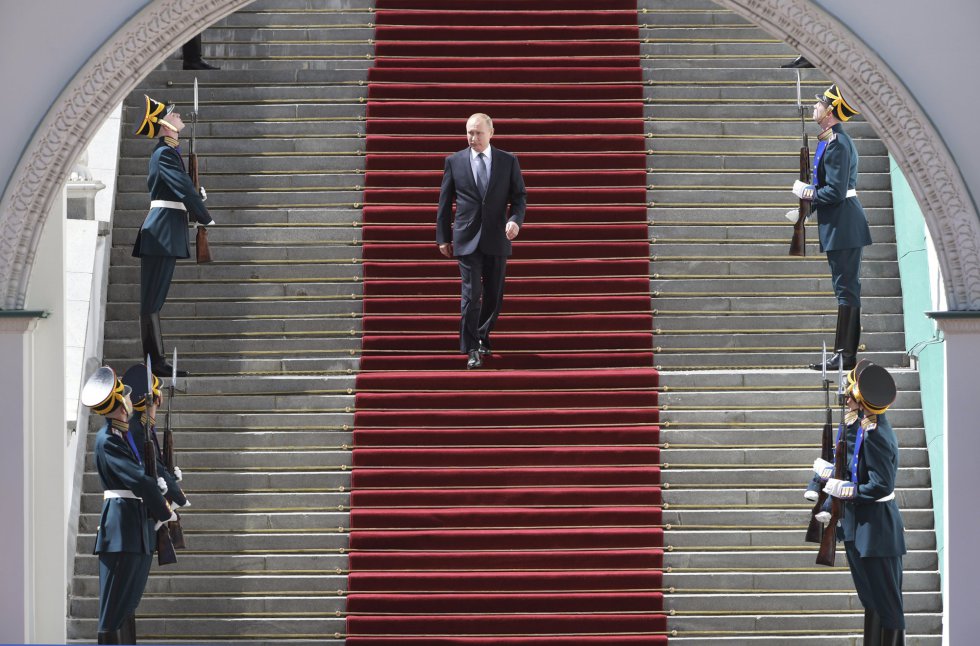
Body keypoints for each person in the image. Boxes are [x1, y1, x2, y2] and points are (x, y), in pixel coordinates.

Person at [81, 366, 176, 644]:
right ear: (121, 402)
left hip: (135, 527)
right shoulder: (108, 440)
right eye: (126, 397)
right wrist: (164, 509)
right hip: (121, 530)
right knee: (112, 612)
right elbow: (139, 480)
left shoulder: (121, 436)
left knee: (127, 605)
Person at [821, 360, 906, 645]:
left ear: (862, 400)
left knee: (888, 606)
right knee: (870, 600)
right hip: (858, 529)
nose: (846, 399)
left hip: (878, 530)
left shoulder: (878, 433)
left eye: (849, 396)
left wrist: (847, 491)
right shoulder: (862, 426)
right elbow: (847, 460)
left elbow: (882, 485)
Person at [790, 83, 871, 371]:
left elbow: (835, 191)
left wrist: (806, 193)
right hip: (840, 223)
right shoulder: (830, 139)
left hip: (844, 224)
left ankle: (845, 356)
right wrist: (805, 210)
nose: (815, 107)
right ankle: (843, 353)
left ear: (830, 113)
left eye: (820, 104)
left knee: (847, 290)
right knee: (845, 289)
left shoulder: (837, 142)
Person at [436, 113, 527, 369]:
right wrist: (443, 236)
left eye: (477, 132)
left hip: (497, 236)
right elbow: (445, 202)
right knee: (472, 292)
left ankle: (483, 336)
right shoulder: (454, 161)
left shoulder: (508, 161)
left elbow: (520, 197)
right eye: (469, 132)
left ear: (491, 133)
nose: (472, 138)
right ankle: (472, 347)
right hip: (466, 238)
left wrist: (515, 220)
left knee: (494, 295)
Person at [133, 95, 214, 377]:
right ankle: (156, 362)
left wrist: (194, 195)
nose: (178, 116)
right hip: (162, 231)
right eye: (173, 114)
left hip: (164, 230)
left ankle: (154, 361)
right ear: (166, 125)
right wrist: (203, 214)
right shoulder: (165, 153)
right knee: (151, 302)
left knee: (153, 302)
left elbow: (177, 187)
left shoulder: (168, 152)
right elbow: (180, 185)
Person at [121, 364, 190, 512]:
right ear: (156, 399)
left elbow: (157, 463)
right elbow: (153, 466)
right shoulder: (138, 429)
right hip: (143, 504)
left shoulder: (145, 424)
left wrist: (171, 474)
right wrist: (178, 496)